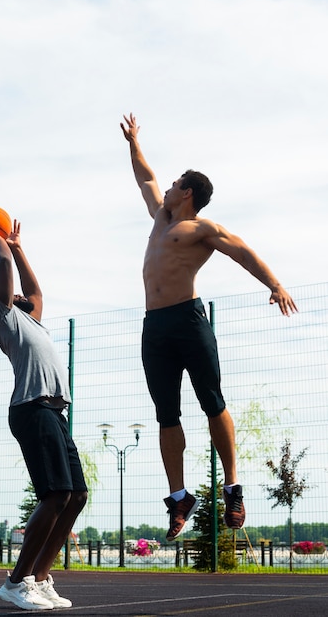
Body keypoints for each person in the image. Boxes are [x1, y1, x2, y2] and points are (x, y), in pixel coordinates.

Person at [120, 113, 297, 541]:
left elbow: (242, 251)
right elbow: (145, 178)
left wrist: (274, 284)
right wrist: (133, 142)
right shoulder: (159, 219)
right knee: (166, 413)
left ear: (187, 192)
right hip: (155, 326)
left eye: (172, 183)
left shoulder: (201, 228)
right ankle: (179, 496)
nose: (163, 188)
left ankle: (232, 487)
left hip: (188, 319)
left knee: (211, 401)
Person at [0, 220, 87, 611]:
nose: (24, 295)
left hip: (54, 412)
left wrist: (19, 247)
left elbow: (36, 290)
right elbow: (5, 276)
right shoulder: (3, 315)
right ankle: (15, 581)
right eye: (16, 295)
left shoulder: (34, 320)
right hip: (31, 408)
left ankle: (39, 579)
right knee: (56, 493)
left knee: (76, 496)